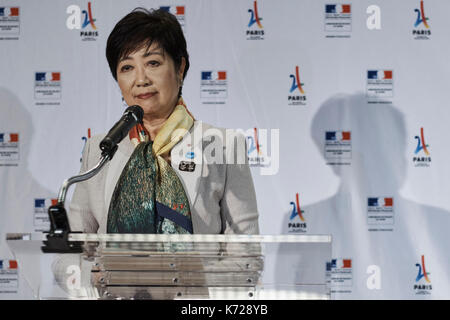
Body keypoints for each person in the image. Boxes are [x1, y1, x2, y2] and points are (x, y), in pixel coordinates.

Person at [68, 8, 259, 235]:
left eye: (153, 63)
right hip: (114, 272)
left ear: (180, 68)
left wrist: (199, 272)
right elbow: (72, 248)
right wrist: (94, 271)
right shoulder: (101, 149)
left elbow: (246, 253)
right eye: (127, 67)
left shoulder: (224, 145)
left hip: (193, 272)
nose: (141, 79)